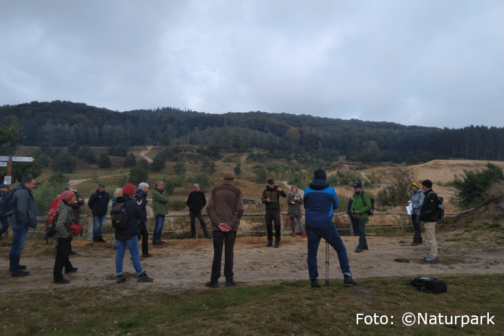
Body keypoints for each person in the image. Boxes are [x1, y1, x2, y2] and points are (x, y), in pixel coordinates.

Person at [304, 168, 357, 288]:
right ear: (325, 178)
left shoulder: (307, 190)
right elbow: (336, 205)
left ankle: (314, 280)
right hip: (325, 224)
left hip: (310, 223)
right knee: (340, 248)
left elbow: (306, 205)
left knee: (312, 252)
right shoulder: (330, 190)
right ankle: (347, 276)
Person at [205, 171, 244, 288]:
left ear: (223, 178)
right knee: (229, 252)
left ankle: (214, 280)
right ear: (233, 179)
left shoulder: (215, 190)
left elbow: (209, 207)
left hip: (217, 228)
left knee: (217, 252)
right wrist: (231, 224)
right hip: (231, 229)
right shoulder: (237, 191)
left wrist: (218, 223)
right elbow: (240, 209)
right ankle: (229, 279)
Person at [115, 183, 153, 283]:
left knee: (120, 254)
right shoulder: (132, 203)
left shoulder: (117, 202)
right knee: (135, 254)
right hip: (131, 233)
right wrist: (138, 207)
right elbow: (143, 217)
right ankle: (141, 274)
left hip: (119, 232)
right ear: (131, 193)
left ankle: (119, 275)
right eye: (133, 192)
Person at [9, 175, 37, 277]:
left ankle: (14, 265)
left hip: (18, 222)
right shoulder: (23, 192)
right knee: (18, 247)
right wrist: (26, 221)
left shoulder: (21, 191)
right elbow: (21, 210)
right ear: (27, 184)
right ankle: (15, 270)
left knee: (16, 246)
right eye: (33, 184)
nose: (34, 186)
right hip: (20, 223)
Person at [53, 190, 78, 284]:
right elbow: (59, 225)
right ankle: (58, 277)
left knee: (65, 252)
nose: (75, 198)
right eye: (73, 197)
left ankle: (68, 268)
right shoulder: (64, 209)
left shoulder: (66, 207)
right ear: (68, 199)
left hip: (64, 236)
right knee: (61, 256)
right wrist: (66, 235)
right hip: (63, 236)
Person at [261, 178, 286, 248]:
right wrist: (266, 200)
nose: (272, 185)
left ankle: (277, 241)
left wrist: (281, 191)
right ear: (268, 184)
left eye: (273, 184)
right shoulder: (265, 191)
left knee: (277, 226)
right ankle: (270, 241)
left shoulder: (277, 190)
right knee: (268, 226)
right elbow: (262, 200)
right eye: (271, 184)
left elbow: (284, 195)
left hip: (276, 210)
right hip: (268, 211)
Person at [419, 180, 439, 262]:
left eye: (422, 185)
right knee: (430, 237)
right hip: (428, 219)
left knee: (431, 238)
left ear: (424, 186)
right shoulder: (428, 194)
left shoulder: (431, 195)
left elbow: (431, 209)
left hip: (430, 220)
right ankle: (432, 254)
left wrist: (423, 215)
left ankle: (434, 256)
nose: (422, 187)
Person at [350, 182, 372, 253]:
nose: (354, 189)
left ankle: (360, 246)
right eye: (354, 188)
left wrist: (360, 211)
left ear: (359, 188)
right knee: (360, 231)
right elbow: (353, 203)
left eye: (355, 188)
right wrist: (352, 210)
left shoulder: (364, 195)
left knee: (361, 231)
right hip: (356, 215)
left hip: (362, 216)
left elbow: (369, 206)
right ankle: (365, 245)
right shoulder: (355, 195)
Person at [66, 180, 84, 255]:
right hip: (69, 215)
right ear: (69, 186)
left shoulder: (76, 193)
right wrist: (77, 202)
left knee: (71, 232)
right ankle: (66, 249)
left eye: (75, 185)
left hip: (75, 214)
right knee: (68, 231)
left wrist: (78, 202)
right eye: (73, 185)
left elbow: (82, 202)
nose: (75, 187)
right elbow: (71, 204)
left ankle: (68, 249)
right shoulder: (67, 192)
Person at [135, 182, 153, 258]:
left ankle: (145, 252)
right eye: (147, 188)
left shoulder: (142, 195)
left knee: (145, 234)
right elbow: (139, 206)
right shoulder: (138, 196)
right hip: (138, 219)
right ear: (143, 189)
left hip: (141, 219)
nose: (148, 190)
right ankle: (136, 254)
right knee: (137, 236)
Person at [152, 181, 169, 245]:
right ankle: (154, 240)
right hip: (158, 211)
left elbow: (167, 198)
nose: (162, 187)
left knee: (161, 226)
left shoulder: (162, 192)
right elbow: (164, 199)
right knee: (158, 226)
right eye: (161, 186)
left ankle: (158, 238)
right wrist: (166, 199)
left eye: (162, 185)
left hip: (163, 211)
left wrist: (166, 199)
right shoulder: (155, 193)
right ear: (157, 186)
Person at [409, 182, 425, 246]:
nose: (413, 187)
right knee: (416, 227)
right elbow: (410, 200)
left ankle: (415, 241)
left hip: (418, 212)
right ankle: (420, 239)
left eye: (414, 186)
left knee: (417, 225)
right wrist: (410, 203)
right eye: (412, 186)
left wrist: (413, 205)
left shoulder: (421, 194)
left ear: (417, 187)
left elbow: (421, 203)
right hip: (413, 212)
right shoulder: (412, 193)